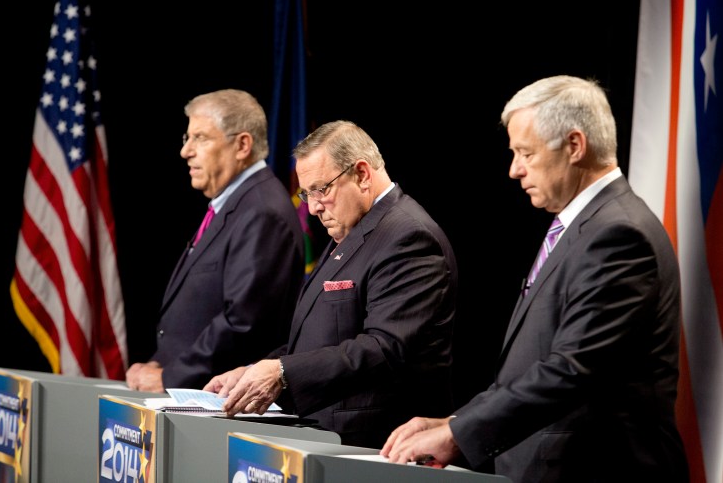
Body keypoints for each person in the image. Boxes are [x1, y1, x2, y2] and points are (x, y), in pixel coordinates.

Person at [381, 75, 689, 483]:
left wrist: (459, 435)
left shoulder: (619, 235)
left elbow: (571, 369)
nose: (514, 170)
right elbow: (533, 363)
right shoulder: (583, 226)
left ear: (575, 146)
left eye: (525, 153)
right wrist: (453, 421)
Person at [203, 120, 458, 449]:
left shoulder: (408, 236)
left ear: (362, 174)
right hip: (327, 437)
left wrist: (282, 373)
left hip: (375, 446)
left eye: (321, 189)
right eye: (306, 194)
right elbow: (320, 338)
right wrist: (254, 372)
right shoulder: (352, 229)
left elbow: (384, 348)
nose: (312, 207)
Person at [125, 89, 305, 392]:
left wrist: (172, 376)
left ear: (242, 145)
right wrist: (162, 363)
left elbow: (244, 323)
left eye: (201, 138)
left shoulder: (262, 211)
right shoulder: (235, 204)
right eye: (187, 138)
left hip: (218, 404)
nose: (186, 151)